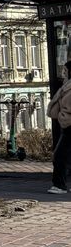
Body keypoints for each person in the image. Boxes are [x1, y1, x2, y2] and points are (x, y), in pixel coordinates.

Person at [48, 60, 71, 195]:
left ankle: (59, 185)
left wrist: (64, 117)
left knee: (60, 156)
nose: (63, 73)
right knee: (64, 156)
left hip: (69, 126)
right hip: (67, 126)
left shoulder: (69, 87)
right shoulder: (67, 85)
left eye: (65, 71)